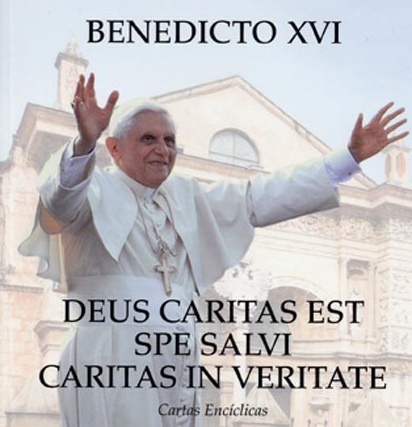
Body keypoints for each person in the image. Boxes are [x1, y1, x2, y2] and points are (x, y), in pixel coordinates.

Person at [19, 73, 408, 427]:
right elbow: (59, 202)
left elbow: (258, 197)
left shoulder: (186, 197)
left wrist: (347, 158)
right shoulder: (91, 188)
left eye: (170, 141)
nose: (162, 149)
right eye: (148, 139)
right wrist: (84, 143)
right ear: (115, 149)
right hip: (111, 355)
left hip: (178, 356)